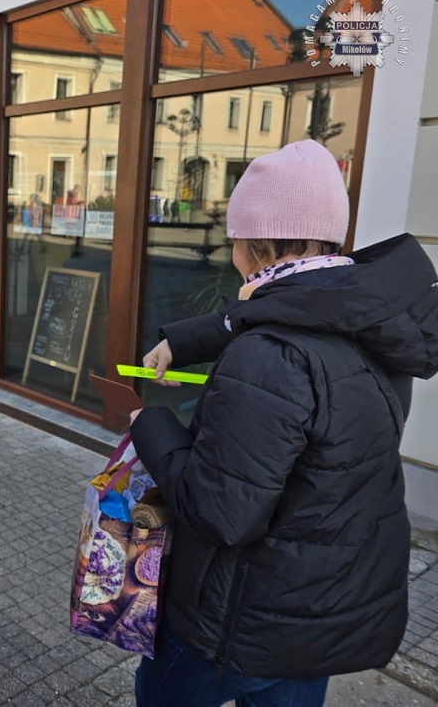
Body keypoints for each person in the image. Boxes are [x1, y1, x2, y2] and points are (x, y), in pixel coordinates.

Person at [128, 139, 438, 707]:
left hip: (237, 621)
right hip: (320, 614)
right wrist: (182, 341)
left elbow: (220, 512)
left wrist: (149, 424)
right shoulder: (372, 319)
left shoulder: (268, 355)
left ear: (255, 246)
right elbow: (273, 312)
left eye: (235, 240)